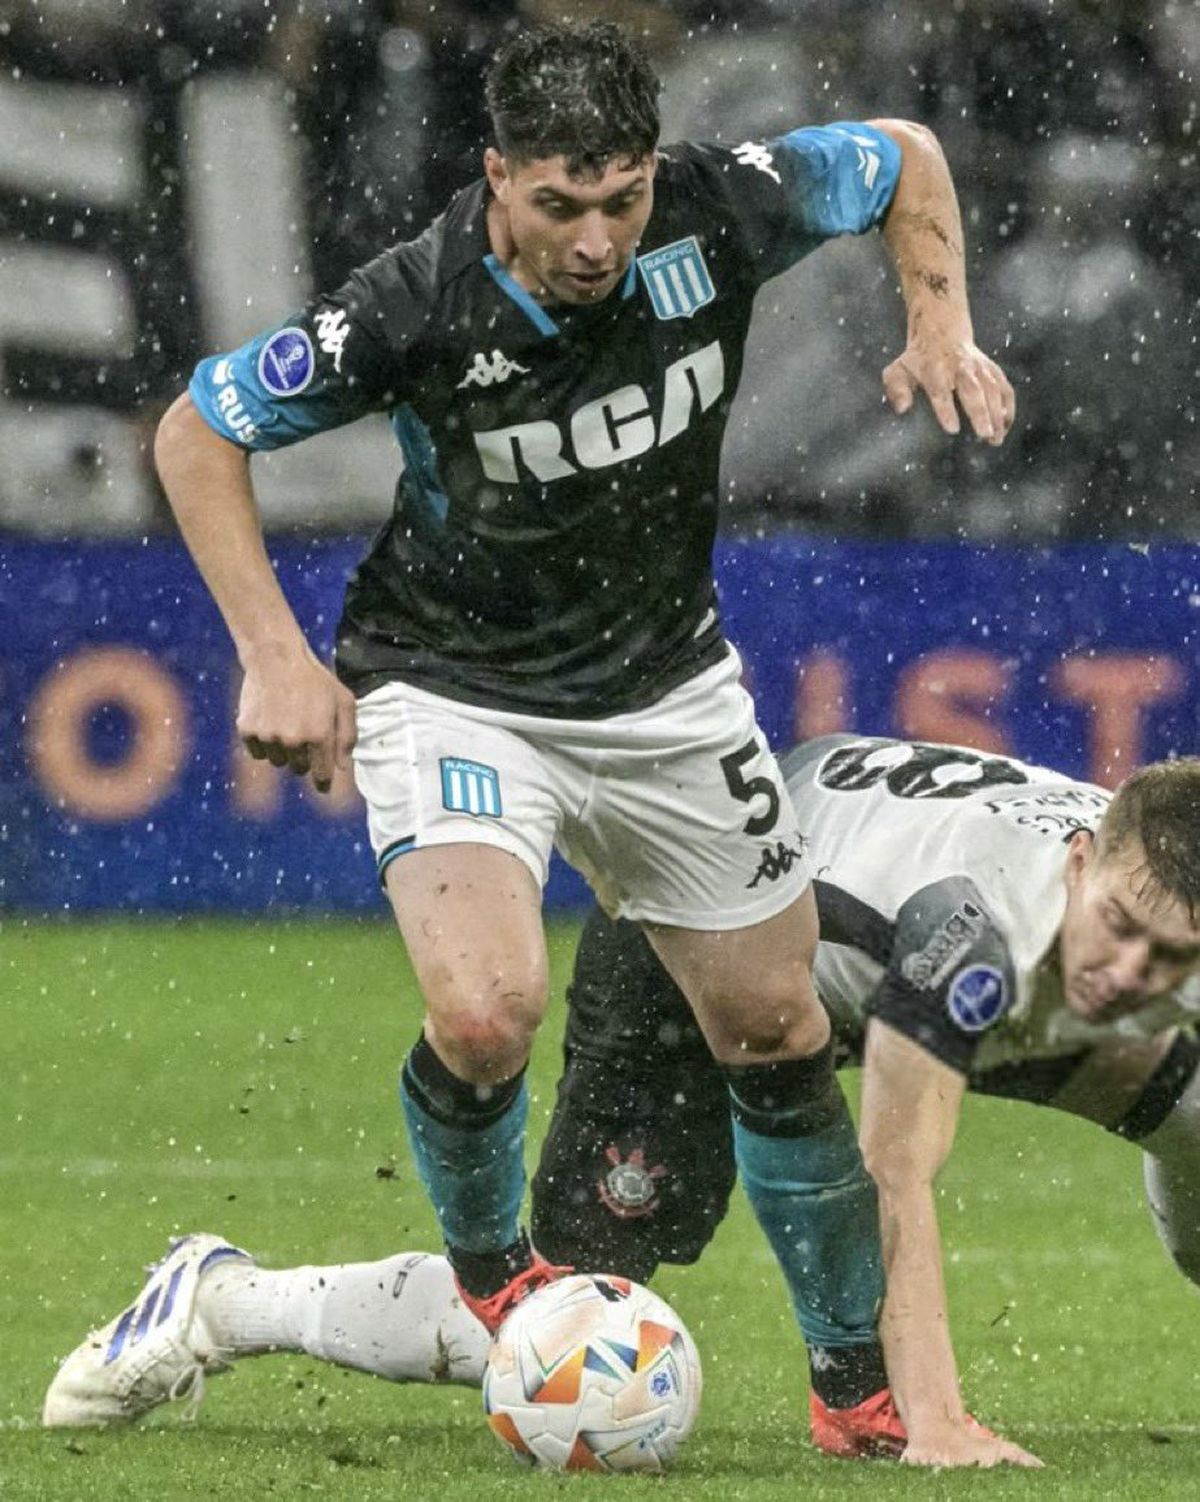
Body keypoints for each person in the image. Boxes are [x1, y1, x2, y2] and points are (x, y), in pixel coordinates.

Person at [145, 18, 1016, 1461]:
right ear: (497, 177)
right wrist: (274, 651)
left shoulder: (721, 201)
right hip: (454, 682)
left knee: (777, 1028)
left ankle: (855, 1388)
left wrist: (940, 319)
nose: (598, 237)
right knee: (489, 1010)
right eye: (560, 205)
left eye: (619, 200)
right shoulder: (415, 302)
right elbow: (196, 429)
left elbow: (904, 160)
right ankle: (502, 1294)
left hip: (667, 691)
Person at [45, 738, 1200, 1466]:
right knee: (557, 1325)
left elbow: (1127, 960)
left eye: (1172, 955)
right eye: (1126, 930)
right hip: (703, 936)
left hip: (888, 948)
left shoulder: (1122, 908)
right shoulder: (972, 927)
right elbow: (898, 1167)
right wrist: (934, 1419)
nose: (1135, 968)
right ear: (1080, 863)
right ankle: (220, 1300)